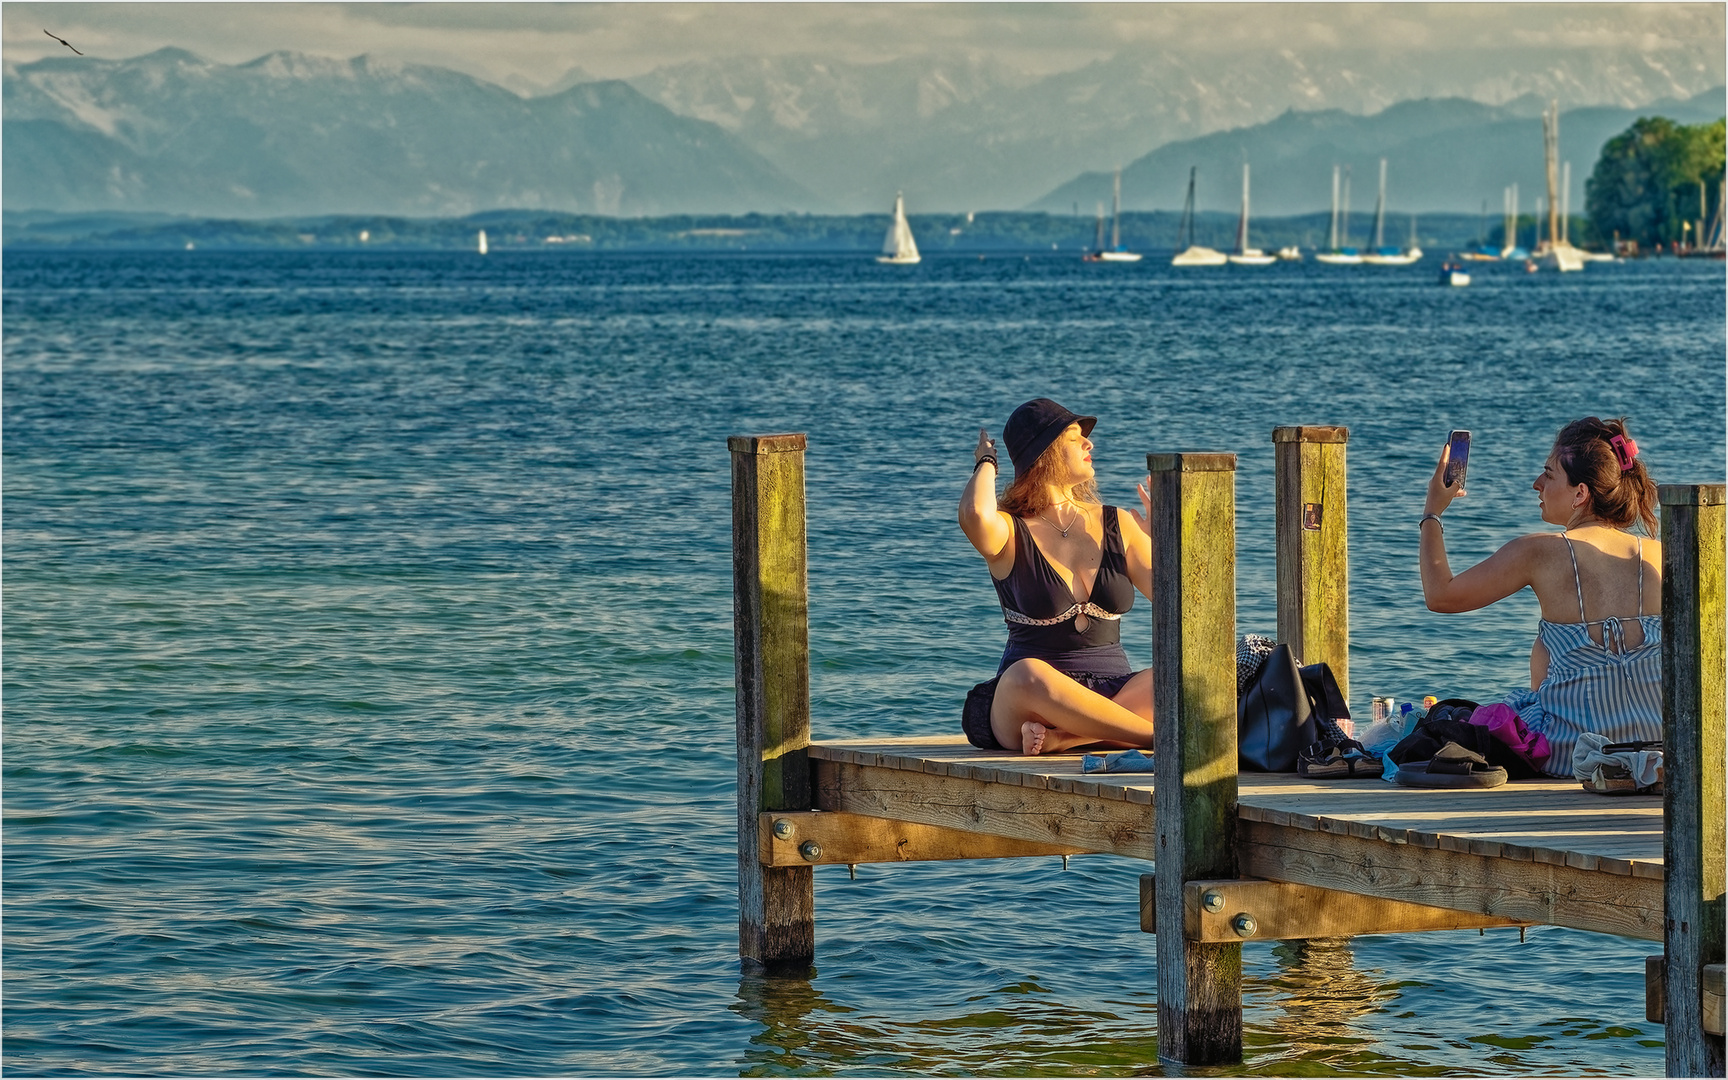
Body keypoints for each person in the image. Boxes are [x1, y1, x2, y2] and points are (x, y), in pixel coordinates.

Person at [1418, 416, 1662, 776]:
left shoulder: (1539, 551)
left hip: (1573, 753)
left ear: (1580, 493)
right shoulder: (1663, 554)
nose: (1537, 484)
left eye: (1548, 475)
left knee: (1536, 658)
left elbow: (1440, 596)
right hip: (1659, 748)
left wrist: (1432, 511)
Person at [958, 398, 1157, 755]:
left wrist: (1165, 542)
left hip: (1115, 692)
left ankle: (1067, 739)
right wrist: (987, 462)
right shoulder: (1010, 531)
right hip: (1033, 703)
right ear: (1043, 452)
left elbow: (1180, 604)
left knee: (1174, 677)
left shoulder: (1118, 524)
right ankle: (1159, 737)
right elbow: (974, 512)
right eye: (1073, 437)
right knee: (1027, 675)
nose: (1089, 444)